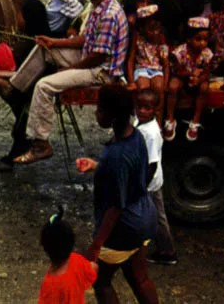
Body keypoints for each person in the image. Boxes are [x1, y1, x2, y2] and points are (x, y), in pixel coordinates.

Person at [0, 0, 129, 165]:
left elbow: (98, 56)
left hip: (100, 71)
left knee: (44, 86)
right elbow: (84, 40)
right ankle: (15, 86)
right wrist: (53, 42)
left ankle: (40, 143)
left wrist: (69, 70)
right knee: (43, 48)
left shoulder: (109, 15)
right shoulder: (99, 7)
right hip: (88, 58)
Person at [76, 85, 159, 304]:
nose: (96, 113)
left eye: (99, 109)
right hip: (145, 218)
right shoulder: (136, 136)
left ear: (111, 115)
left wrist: (96, 245)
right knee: (139, 278)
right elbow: (130, 174)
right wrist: (97, 165)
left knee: (101, 281)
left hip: (124, 227)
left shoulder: (116, 155)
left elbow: (115, 207)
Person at [134, 89, 178, 265]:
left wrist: (143, 185)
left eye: (147, 108)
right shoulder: (139, 122)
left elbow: (152, 164)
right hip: (143, 179)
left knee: (158, 217)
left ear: (155, 110)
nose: (142, 111)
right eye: (140, 107)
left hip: (150, 182)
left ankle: (168, 252)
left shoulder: (151, 133)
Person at [38, 206, 99, 304]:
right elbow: (94, 267)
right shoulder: (77, 260)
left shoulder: (50, 284)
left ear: (46, 249)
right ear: (71, 243)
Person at [166, 17, 213, 142]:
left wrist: (199, 79)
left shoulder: (207, 53)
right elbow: (178, 70)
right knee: (173, 86)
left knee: (204, 87)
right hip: (183, 76)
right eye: (198, 39)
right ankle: (170, 119)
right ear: (188, 39)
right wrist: (191, 74)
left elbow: (207, 73)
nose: (202, 43)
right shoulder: (180, 52)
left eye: (205, 39)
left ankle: (195, 120)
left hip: (197, 78)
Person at [126, 4, 169, 123]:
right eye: (151, 29)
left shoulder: (161, 38)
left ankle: (158, 123)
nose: (155, 32)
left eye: (157, 28)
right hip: (141, 68)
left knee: (158, 88)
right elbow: (131, 60)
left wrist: (165, 84)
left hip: (156, 69)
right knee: (142, 88)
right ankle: (140, 121)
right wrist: (131, 82)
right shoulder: (137, 37)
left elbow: (165, 64)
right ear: (142, 28)